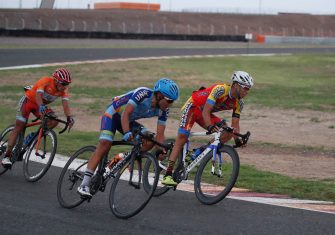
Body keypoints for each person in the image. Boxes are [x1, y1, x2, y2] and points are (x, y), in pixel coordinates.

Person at [77, 78, 179, 197]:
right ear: (160, 95)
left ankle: (128, 157)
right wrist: (126, 132)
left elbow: (160, 134)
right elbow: (125, 113)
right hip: (113, 115)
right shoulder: (143, 93)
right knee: (105, 143)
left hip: (128, 121)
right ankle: (84, 184)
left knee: (150, 138)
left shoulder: (164, 110)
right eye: (169, 100)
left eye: (172, 102)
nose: (170, 104)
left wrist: (161, 149)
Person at [161, 71, 254, 186]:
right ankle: (168, 174)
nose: (247, 91)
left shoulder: (239, 103)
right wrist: (210, 126)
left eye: (248, 89)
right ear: (235, 85)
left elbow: (235, 125)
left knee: (228, 131)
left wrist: (237, 139)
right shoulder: (220, 90)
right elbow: (206, 111)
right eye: (245, 88)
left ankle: (199, 151)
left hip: (204, 113)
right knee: (182, 137)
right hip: (193, 107)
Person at [1, 68, 75, 168]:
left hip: (39, 106)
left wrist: (69, 118)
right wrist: (41, 106)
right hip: (28, 103)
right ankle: (7, 156)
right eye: (63, 83)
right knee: (19, 127)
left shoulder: (63, 90)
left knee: (53, 121)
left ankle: (32, 137)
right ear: (56, 81)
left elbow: (65, 104)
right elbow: (38, 96)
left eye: (67, 84)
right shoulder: (46, 81)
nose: (65, 86)